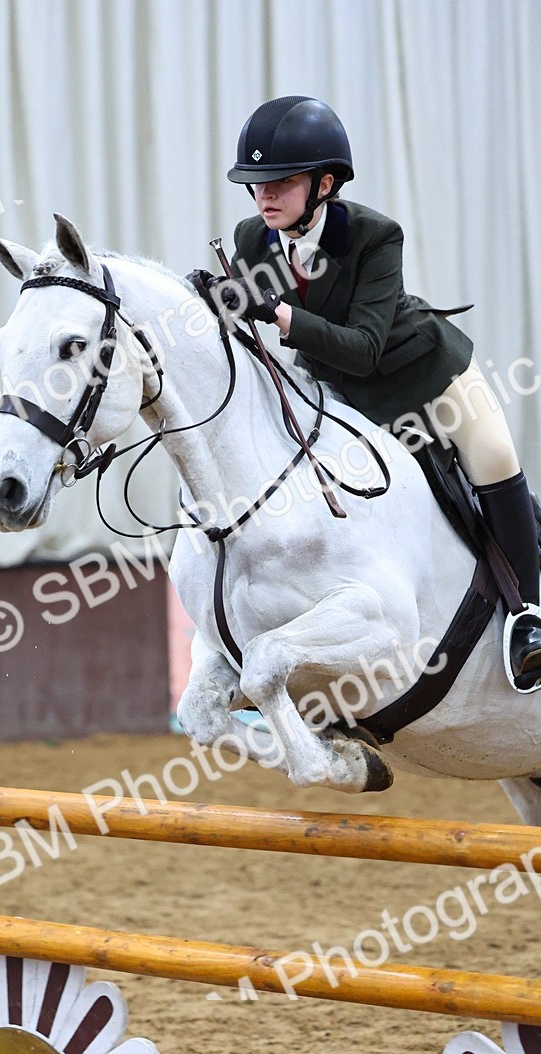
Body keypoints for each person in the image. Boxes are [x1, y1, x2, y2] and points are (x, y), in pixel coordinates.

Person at [219, 94, 541, 693]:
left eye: (281, 182)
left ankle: (528, 617)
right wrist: (214, 303)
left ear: (325, 184)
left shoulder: (372, 235)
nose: (264, 196)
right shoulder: (252, 238)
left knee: (495, 456)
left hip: (425, 376)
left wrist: (280, 313)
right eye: (256, 184)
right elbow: (248, 324)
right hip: (342, 397)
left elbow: (364, 347)